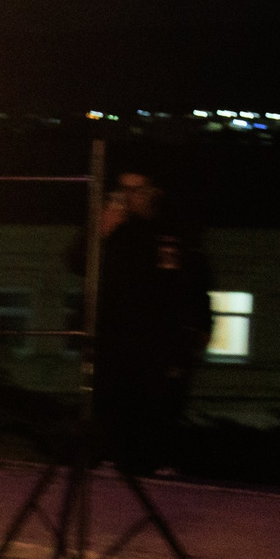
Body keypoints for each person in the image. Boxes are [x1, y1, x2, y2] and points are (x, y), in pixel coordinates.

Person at [66, 170, 213, 476]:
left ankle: (156, 461)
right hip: (114, 336)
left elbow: (196, 281)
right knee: (111, 400)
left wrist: (202, 325)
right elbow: (76, 263)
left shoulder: (172, 230)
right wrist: (100, 231)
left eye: (138, 189)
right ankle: (111, 459)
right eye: (124, 190)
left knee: (159, 402)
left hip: (162, 339)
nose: (130, 197)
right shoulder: (111, 228)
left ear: (153, 192)